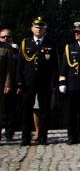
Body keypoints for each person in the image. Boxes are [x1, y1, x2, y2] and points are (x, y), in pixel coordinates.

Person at [16, 18, 58, 146]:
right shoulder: (25, 43)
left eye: (41, 28)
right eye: (36, 27)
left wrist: (54, 82)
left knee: (45, 111)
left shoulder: (50, 44)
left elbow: (55, 65)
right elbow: (20, 65)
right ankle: (25, 137)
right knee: (26, 111)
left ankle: (42, 137)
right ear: (32, 28)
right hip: (28, 83)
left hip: (44, 82)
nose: (38, 30)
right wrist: (19, 82)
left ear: (44, 30)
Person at [0, 28, 17, 141]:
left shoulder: (7, 49)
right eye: (3, 36)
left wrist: (8, 84)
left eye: (8, 36)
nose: (5, 39)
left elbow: (9, 69)